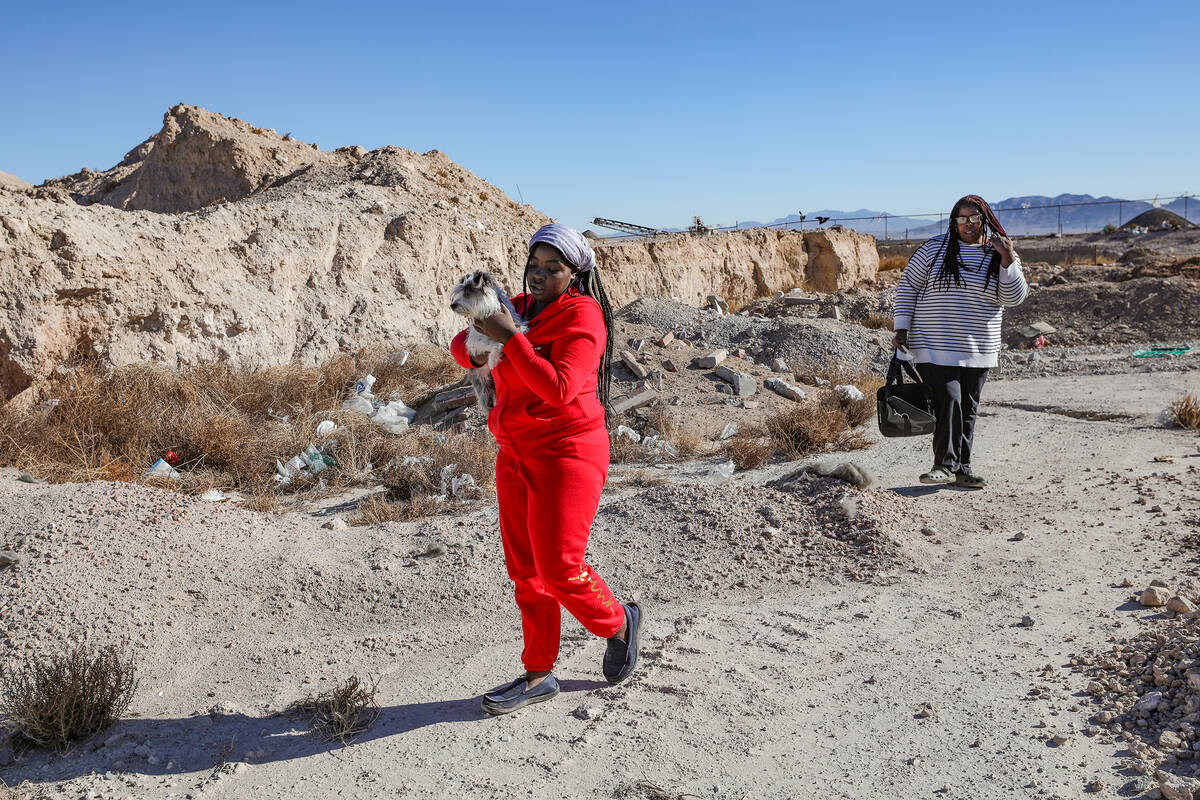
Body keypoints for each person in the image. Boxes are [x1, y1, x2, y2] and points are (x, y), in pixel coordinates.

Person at [450, 223, 641, 715]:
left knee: (559, 569)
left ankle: (618, 623)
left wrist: (510, 339)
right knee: (526, 573)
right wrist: (479, 343)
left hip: (567, 451)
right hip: (514, 450)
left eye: (551, 269)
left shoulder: (584, 315)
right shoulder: (518, 306)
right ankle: (538, 675)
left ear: (574, 273)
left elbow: (558, 387)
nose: (537, 277)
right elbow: (460, 347)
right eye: (533, 266)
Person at [891, 195, 1028, 489]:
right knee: (948, 400)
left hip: (979, 347)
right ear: (954, 221)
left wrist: (1007, 258)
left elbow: (1013, 298)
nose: (968, 224)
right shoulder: (934, 249)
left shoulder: (998, 254)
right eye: (962, 219)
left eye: (974, 218)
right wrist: (901, 328)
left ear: (985, 221)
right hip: (934, 343)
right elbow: (908, 288)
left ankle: (963, 468)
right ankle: (943, 465)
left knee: (968, 407)